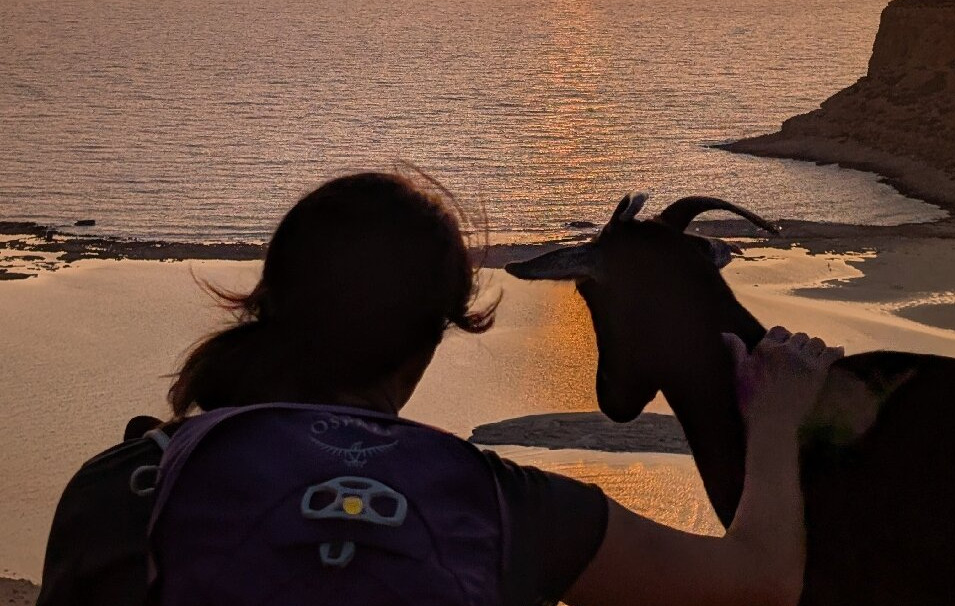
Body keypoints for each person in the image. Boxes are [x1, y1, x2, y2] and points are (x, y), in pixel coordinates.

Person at [41, 170, 842, 606]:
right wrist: (775, 417)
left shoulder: (119, 487)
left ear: (265, 304)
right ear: (432, 339)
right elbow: (761, 580)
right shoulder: (501, 504)